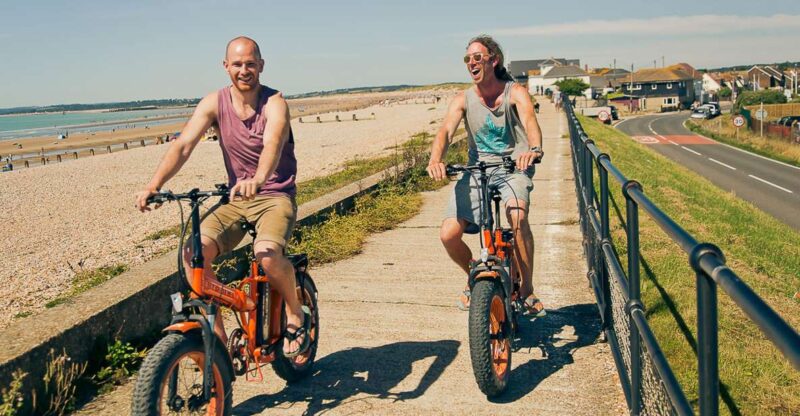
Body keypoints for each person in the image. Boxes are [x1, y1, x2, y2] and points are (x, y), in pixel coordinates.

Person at [134, 36, 311, 357]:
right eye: (238, 64)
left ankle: (295, 312)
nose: (245, 70)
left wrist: (259, 178)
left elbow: (273, 142)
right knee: (193, 256)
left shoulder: (275, 103)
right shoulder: (214, 103)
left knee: (267, 254)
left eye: (251, 64)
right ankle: (218, 345)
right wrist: (154, 185)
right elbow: (184, 145)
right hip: (236, 200)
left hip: (274, 195)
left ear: (261, 65)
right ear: (226, 66)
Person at [426, 34, 545, 316]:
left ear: (494, 60)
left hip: (513, 165)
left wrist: (534, 149)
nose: (471, 63)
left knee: (517, 217)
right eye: (467, 58)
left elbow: (529, 120)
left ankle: (527, 291)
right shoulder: (463, 99)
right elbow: (445, 131)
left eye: (477, 57)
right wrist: (435, 160)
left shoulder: (514, 92)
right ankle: (474, 277)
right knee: (448, 234)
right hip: (476, 170)